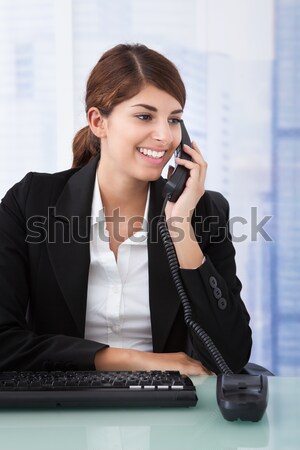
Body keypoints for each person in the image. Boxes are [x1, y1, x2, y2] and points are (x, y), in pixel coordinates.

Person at [0, 43, 252, 375]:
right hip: (64, 407)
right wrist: (137, 360)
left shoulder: (204, 211)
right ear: (97, 122)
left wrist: (181, 229)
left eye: (174, 120)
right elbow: (4, 342)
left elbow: (231, 356)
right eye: (144, 116)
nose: (164, 136)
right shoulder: (32, 201)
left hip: (169, 415)